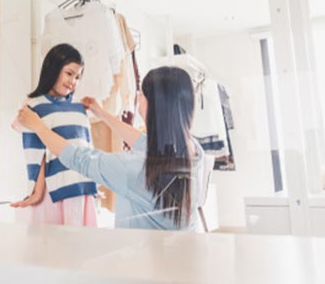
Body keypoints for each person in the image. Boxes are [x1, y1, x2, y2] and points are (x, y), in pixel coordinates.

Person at [17, 66, 205, 230]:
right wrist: (102, 113)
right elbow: (141, 141)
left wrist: (38, 126)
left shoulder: (135, 169)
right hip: (182, 258)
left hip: (142, 263)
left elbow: (79, 158)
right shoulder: (195, 151)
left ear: (152, 106)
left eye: (142, 95)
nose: (138, 97)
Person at [11, 43, 98, 227]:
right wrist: (37, 192)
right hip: (53, 193)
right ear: (53, 69)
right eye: (69, 73)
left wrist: (92, 183)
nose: (73, 81)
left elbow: (86, 148)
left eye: (78, 77)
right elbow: (36, 153)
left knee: (83, 251)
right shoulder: (35, 105)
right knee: (50, 250)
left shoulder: (79, 107)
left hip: (81, 191)